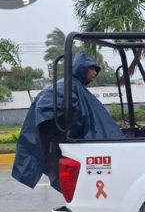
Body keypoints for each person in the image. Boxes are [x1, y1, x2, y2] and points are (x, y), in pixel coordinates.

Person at [13, 52, 124, 190]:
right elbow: (44, 106)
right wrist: (71, 125)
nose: (95, 72)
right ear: (82, 68)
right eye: (91, 69)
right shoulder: (68, 86)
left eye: (96, 70)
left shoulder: (76, 86)